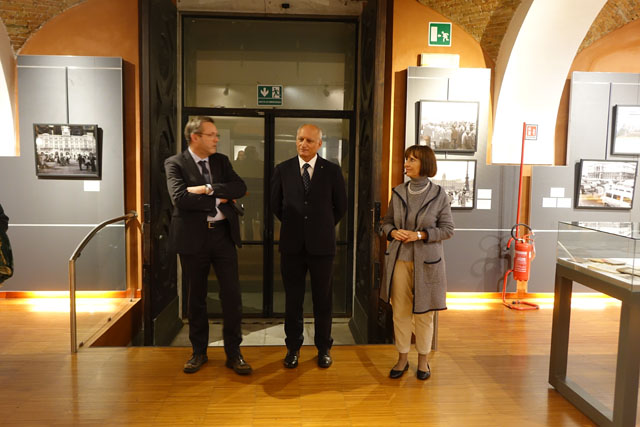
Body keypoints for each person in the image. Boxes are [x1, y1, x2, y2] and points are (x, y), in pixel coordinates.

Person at [165, 116, 252, 376]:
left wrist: (206, 189)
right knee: (196, 298)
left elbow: (240, 187)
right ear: (195, 137)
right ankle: (199, 352)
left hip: (223, 236)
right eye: (211, 134)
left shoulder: (221, 161)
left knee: (232, 296)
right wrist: (218, 199)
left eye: (216, 135)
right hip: (193, 239)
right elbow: (180, 198)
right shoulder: (175, 163)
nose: (216, 139)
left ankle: (234, 353)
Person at [271, 123, 347, 369]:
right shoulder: (283, 170)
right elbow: (275, 205)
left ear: (319, 144)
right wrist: (297, 226)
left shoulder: (332, 171)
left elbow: (341, 206)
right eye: (300, 139)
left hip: (322, 247)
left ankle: (324, 348)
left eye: (309, 141)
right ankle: (293, 348)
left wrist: (320, 226)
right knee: (293, 301)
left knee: (322, 300)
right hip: (291, 246)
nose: (303, 144)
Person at [381, 145, 454, 380]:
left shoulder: (439, 194)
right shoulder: (398, 192)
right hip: (399, 261)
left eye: (412, 159)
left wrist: (421, 235)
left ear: (425, 163)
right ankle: (402, 358)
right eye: (406, 159)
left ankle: (423, 360)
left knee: (424, 313)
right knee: (400, 312)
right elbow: (386, 223)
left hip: (428, 264)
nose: (406, 163)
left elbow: (448, 229)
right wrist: (393, 232)